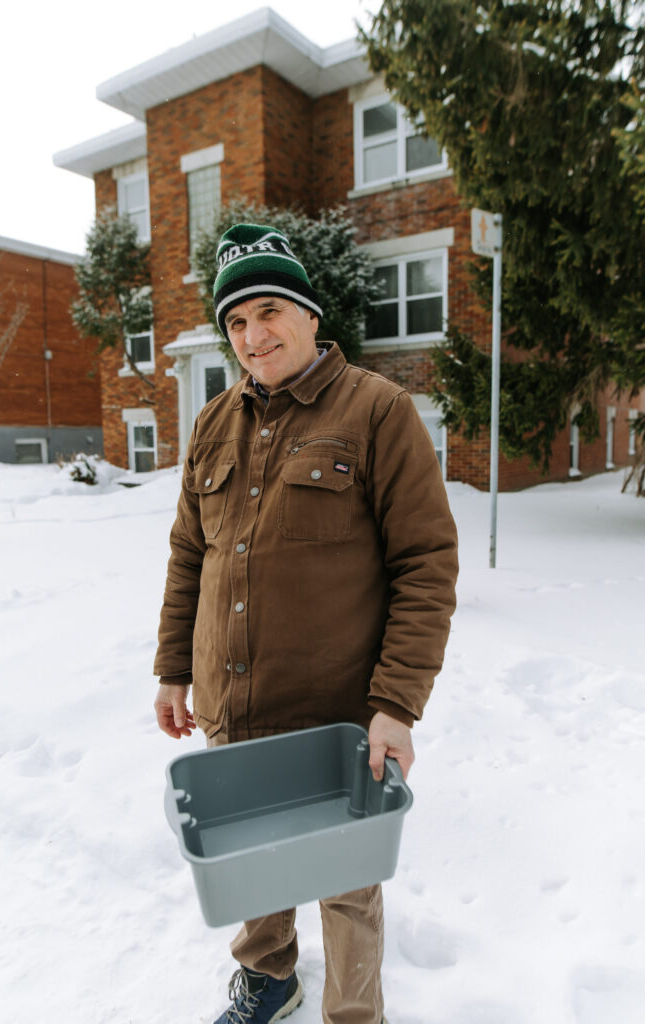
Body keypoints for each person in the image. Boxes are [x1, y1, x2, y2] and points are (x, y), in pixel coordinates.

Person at [153, 223, 458, 1024]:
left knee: (347, 885)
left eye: (267, 312)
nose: (253, 337)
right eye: (235, 323)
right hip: (235, 701)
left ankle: (353, 1013)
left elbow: (425, 565)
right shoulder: (213, 423)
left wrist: (396, 702)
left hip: (338, 715)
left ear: (310, 314)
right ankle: (269, 980)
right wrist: (172, 667)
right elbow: (190, 554)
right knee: (250, 860)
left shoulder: (378, 411)